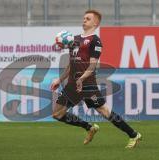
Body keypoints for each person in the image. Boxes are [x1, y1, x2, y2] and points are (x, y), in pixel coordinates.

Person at [50, 9, 142, 148]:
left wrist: (82, 78)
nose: (84, 20)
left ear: (96, 23)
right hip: (72, 84)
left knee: (104, 111)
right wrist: (59, 79)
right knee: (57, 114)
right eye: (84, 17)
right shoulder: (74, 39)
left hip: (87, 84)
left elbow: (93, 66)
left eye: (88, 18)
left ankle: (134, 135)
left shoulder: (95, 41)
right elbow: (71, 64)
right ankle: (89, 127)